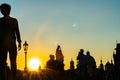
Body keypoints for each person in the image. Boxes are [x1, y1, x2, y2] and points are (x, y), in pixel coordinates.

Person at [0, 3, 21, 80]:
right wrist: (19, 42)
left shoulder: (1, 21)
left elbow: (17, 31)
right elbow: (17, 32)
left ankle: (9, 77)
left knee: (6, 62)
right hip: (8, 44)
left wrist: (19, 41)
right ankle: (12, 77)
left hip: (5, 44)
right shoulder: (14, 20)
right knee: (10, 62)